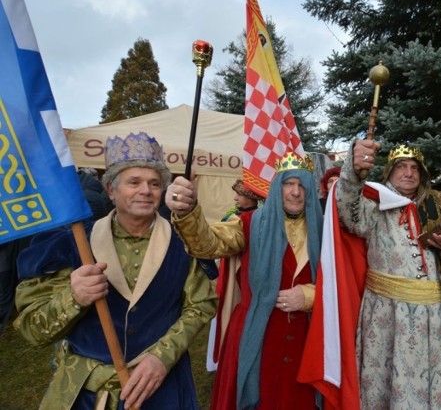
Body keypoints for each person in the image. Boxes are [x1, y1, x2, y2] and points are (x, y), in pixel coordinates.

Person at [13, 132, 217, 409]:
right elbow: (33, 331)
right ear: (110, 190)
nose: (146, 190)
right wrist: (73, 298)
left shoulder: (182, 244)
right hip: (84, 394)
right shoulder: (71, 245)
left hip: (159, 390)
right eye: (134, 182)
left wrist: (162, 356)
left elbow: (200, 305)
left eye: (155, 183)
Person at [165, 152, 323, 410]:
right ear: (276, 188)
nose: (296, 192)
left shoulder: (325, 231)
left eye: (302, 184)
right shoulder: (248, 224)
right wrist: (189, 211)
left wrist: (310, 296)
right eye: (288, 184)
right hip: (255, 337)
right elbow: (208, 244)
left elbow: (343, 284)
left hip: (307, 340)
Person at [334, 139, 441, 409]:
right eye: (401, 167)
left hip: (435, 318)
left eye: (414, 168)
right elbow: (346, 211)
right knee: (384, 385)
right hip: (386, 315)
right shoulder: (373, 205)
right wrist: (354, 169)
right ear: (389, 172)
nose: (409, 173)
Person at [206, 178, 263, 372]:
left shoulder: (258, 218)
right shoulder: (233, 215)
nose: (235, 198)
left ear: (251, 196)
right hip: (230, 269)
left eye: (240, 194)